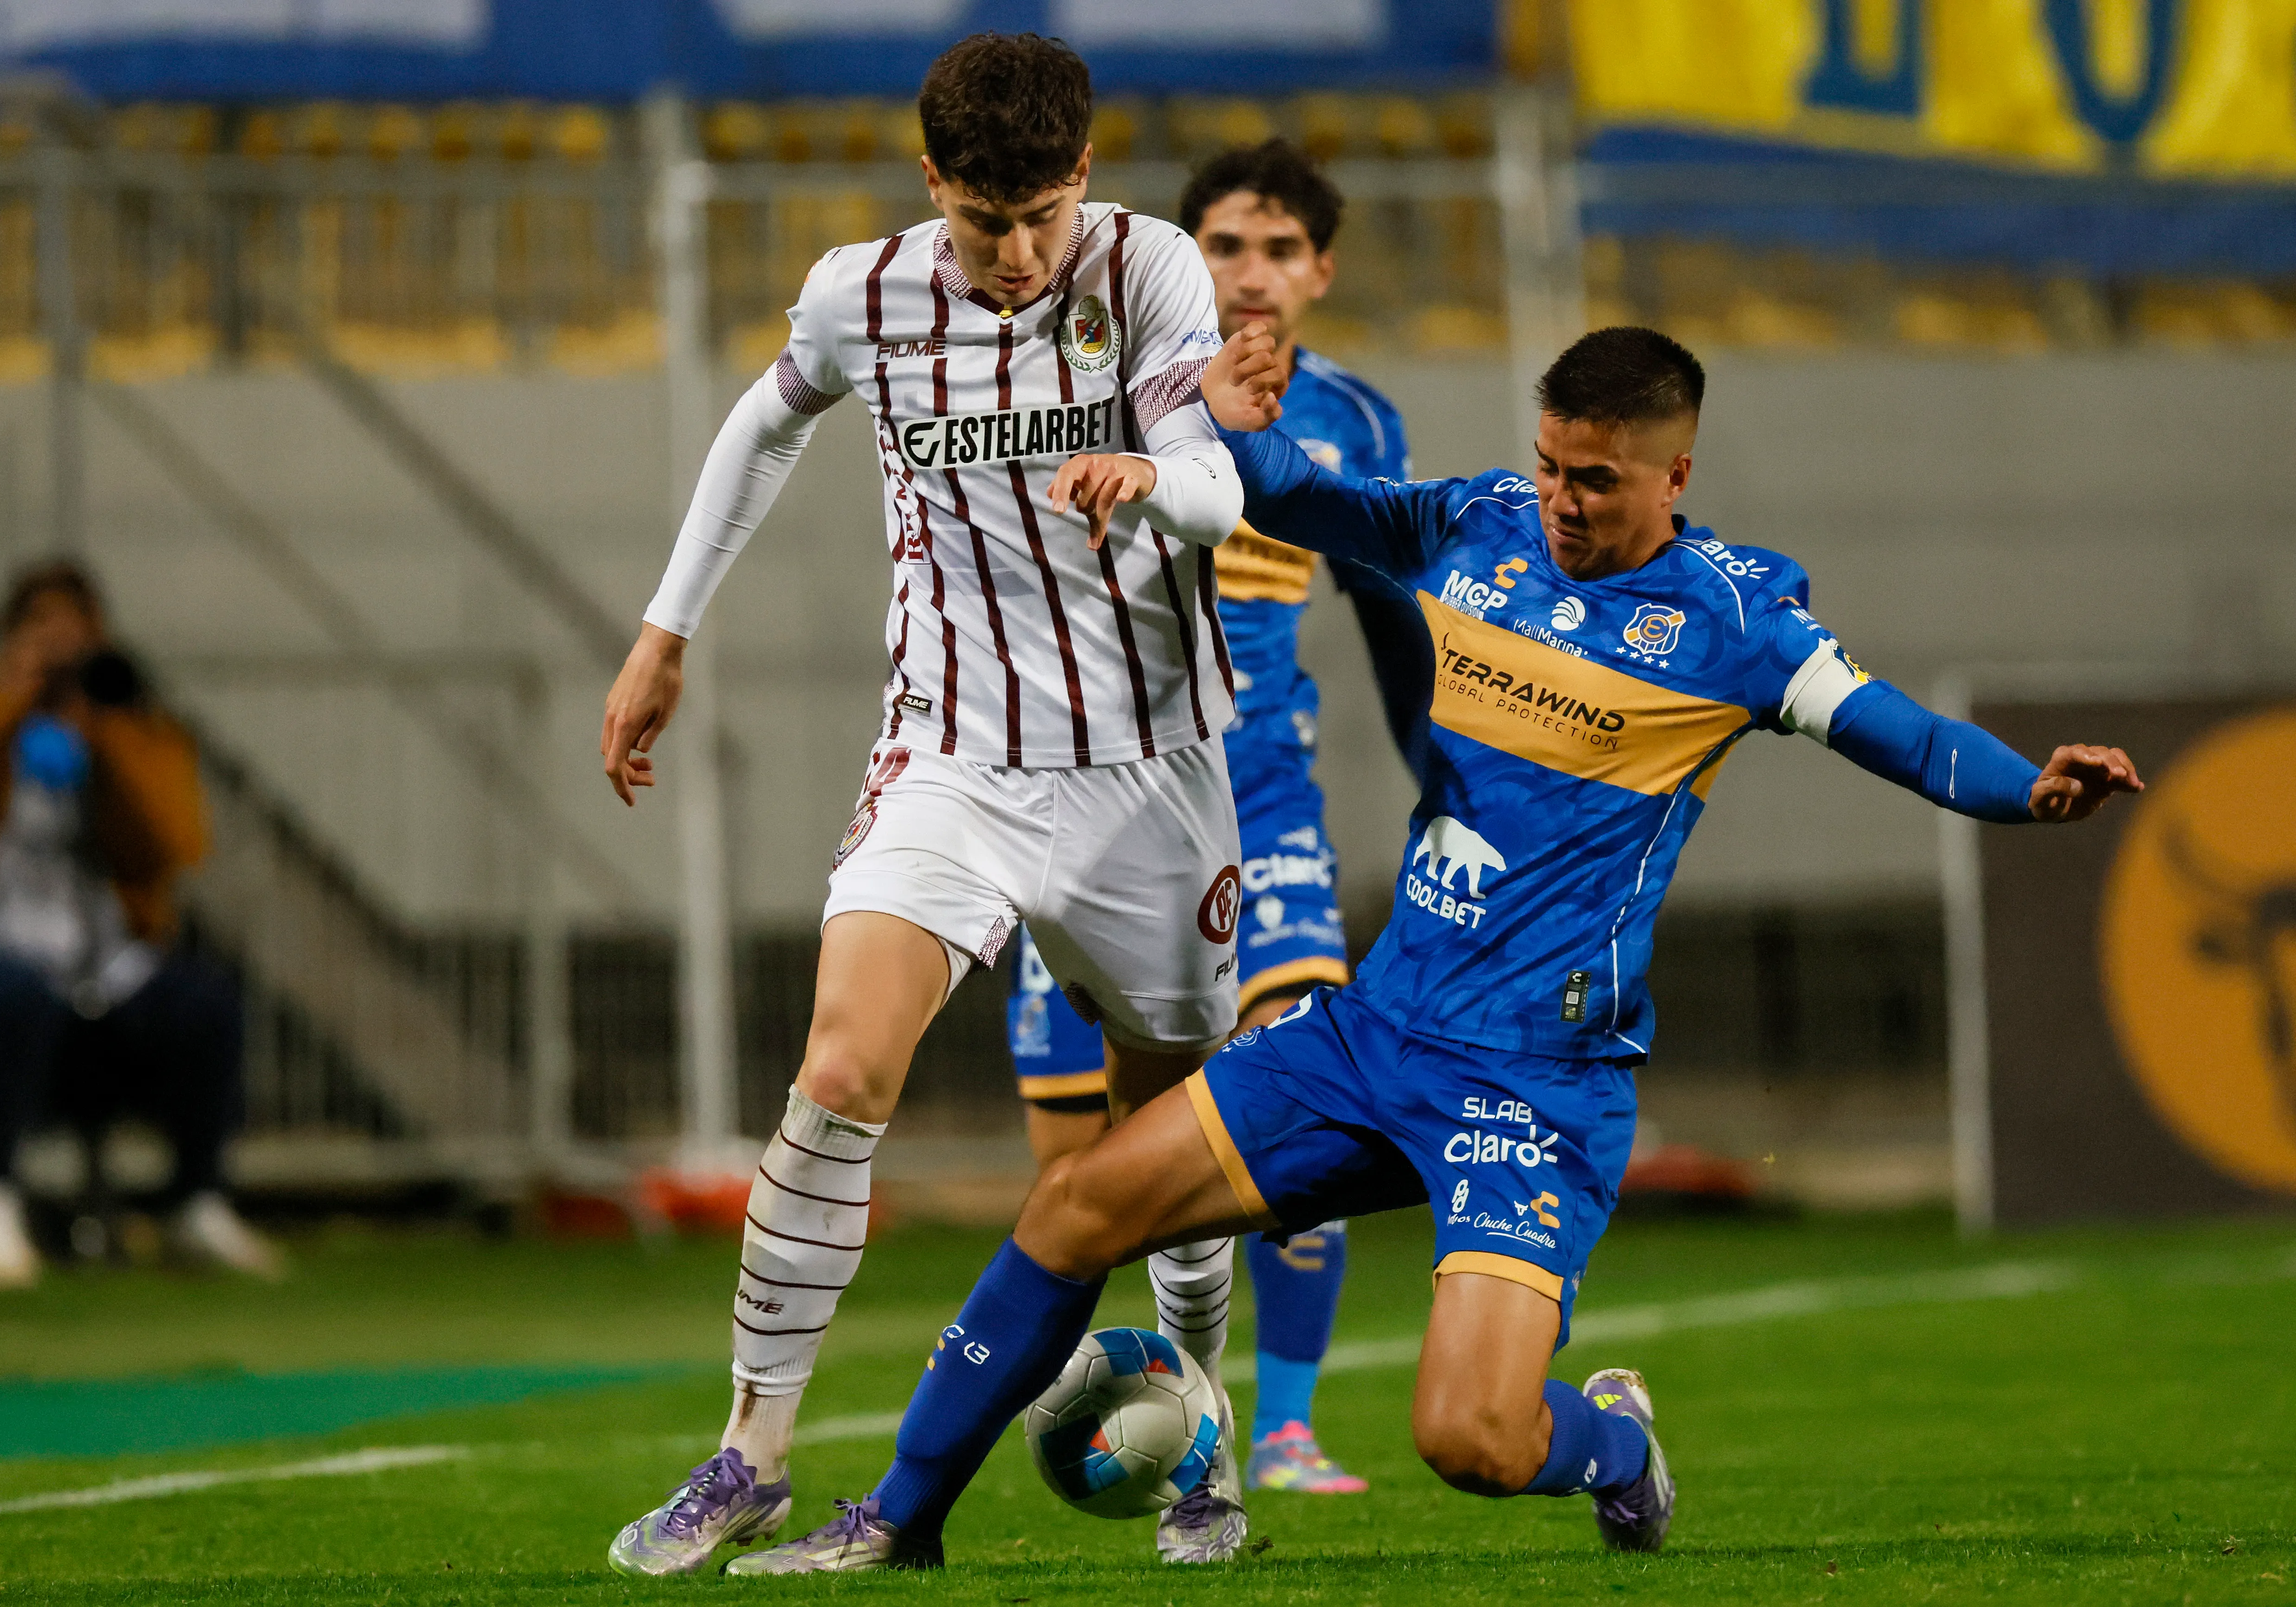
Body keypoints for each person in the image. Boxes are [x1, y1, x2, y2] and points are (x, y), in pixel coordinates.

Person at [727, 324, 2143, 1573]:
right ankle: (896, 1522)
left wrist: (2028, 786)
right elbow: (1307, 501)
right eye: (1551, 465)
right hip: (1373, 1033)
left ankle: (1617, 1443)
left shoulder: (1739, 621)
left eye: (1598, 480)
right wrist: (1232, 429)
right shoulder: (1477, 525)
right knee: (1073, 1206)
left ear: (1676, 475)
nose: (1563, 500)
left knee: (1469, 1436)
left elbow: (1906, 735)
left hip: (1536, 1082)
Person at [600, 32, 1285, 1576]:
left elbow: (1216, 485)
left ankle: (1203, 1432)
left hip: (1146, 768)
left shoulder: (1148, 270)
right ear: (933, 185)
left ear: (1083, 175)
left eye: (1041, 213)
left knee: (1164, 1129)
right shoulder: (861, 294)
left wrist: (1149, 479)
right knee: (841, 1065)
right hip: (951, 752)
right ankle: (750, 1452)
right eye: (986, 220)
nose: (1018, 250)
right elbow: (765, 421)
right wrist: (664, 629)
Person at [996, 139, 1431, 1497]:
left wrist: (1447, 786)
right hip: (1094, 803)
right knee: (1087, 1173)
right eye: (1225, 246)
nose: (1251, 273)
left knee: (1298, 1102)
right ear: (1181, 259)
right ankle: (1129, 1417)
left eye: (1279, 249)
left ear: (1321, 271)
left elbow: (1395, 619)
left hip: (1268, 809)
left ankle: (1281, 1428)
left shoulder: (1354, 420)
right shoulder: (1094, 381)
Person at [0, 560, 279, 1288]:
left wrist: (106, 732)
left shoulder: (129, 728)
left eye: (75, 635)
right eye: (41, 632)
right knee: (16, 1000)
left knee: (205, 1005)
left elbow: (176, 844)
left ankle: (197, 1202)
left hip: (101, 963)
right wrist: (13, 700)